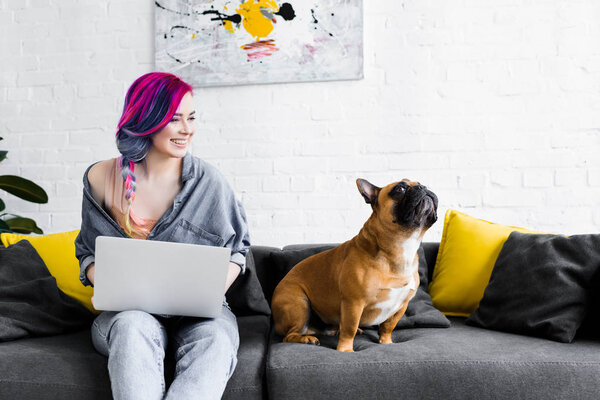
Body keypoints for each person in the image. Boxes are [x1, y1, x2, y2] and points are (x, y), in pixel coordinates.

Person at [74, 72, 251, 400]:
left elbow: (238, 250)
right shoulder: (101, 177)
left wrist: (206, 292)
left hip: (200, 314)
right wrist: (114, 286)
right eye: (175, 119)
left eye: (192, 117)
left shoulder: (209, 182)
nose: (188, 129)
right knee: (131, 328)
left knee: (216, 340)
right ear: (147, 119)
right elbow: (88, 252)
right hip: (129, 313)